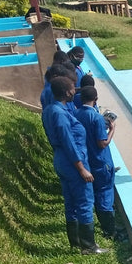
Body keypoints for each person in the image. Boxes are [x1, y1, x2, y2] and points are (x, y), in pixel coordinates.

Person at [43, 76, 106, 254]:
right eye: (72, 88)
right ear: (66, 91)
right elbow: (67, 141)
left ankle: (76, 242)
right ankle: (89, 246)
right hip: (73, 162)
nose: (74, 91)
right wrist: (81, 168)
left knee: (71, 202)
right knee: (85, 201)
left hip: (62, 160)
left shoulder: (50, 110)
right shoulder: (60, 114)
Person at [74, 86, 122, 240]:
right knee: (105, 195)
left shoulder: (76, 114)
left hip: (88, 160)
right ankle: (111, 232)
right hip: (101, 161)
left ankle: (108, 227)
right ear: (96, 99)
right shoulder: (96, 118)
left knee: (97, 193)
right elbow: (102, 143)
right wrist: (112, 129)